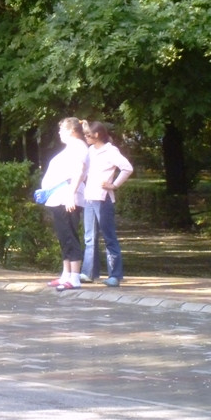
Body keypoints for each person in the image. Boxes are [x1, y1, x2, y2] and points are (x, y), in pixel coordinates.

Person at [36, 117, 88, 291]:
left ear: (72, 131)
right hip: (60, 198)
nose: (59, 133)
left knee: (70, 236)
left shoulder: (79, 147)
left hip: (67, 198)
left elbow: (79, 171)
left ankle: (74, 278)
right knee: (63, 237)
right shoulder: (72, 148)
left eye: (62, 130)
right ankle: (66, 274)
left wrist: (71, 195)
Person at [80, 120, 134, 287]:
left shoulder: (110, 151)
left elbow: (127, 168)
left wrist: (114, 185)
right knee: (89, 237)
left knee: (109, 237)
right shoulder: (91, 150)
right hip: (89, 198)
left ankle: (115, 275)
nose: (86, 138)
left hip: (103, 199)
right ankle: (88, 273)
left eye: (88, 135)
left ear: (97, 135)